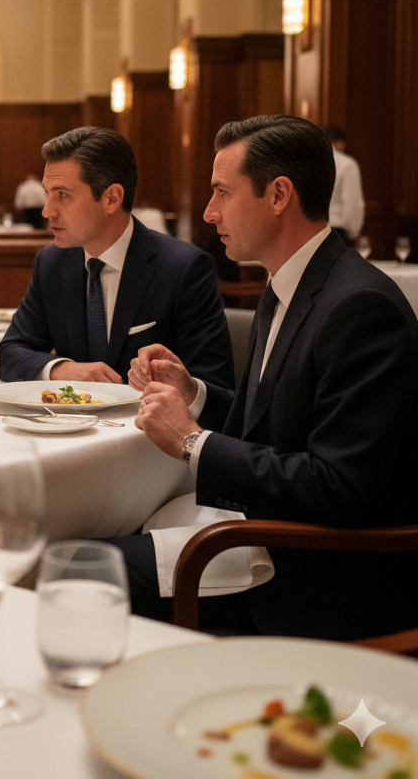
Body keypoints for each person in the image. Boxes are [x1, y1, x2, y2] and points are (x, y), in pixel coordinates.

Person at [127, 115, 418, 640]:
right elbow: (271, 424)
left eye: (222, 192)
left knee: (88, 571)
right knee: (99, 538)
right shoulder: (291, 281)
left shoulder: (360, 307)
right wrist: (192, 395)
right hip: (265, 533)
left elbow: (340, 489)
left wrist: (192, 442)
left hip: (318, 576)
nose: (210, 211)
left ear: (279, 193)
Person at [0, 127, 234, 388]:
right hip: (67, 425)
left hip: (144, 426)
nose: (47, 210)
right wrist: (61, 370)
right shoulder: (52, 262)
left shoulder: (182, 268)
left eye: (63, 195)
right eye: (48, 193)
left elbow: (215, 386)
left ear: (111, 198)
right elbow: (10, 352)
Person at [322, 124, 364, 242]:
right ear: (340, 143)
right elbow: (352, 203)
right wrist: (354, 232)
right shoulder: (347, 164)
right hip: (336, 231)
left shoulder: (305, 162)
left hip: (308, 231)